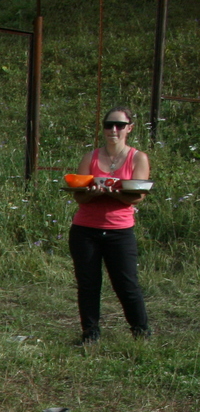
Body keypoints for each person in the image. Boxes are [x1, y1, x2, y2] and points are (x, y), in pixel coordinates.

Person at [68, 105, 151, 343]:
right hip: (85, 229)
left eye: (119, 125)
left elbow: (138, 196)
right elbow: (79, 195)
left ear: (129, 129)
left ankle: (141, 331)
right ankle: (90, 333)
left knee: (126, 284)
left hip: (119, 230)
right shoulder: (90, 157)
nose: (113, 130)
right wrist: (93, 192)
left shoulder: (138, 158)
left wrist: (111, 190)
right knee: (88, 284)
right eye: (108, 125)